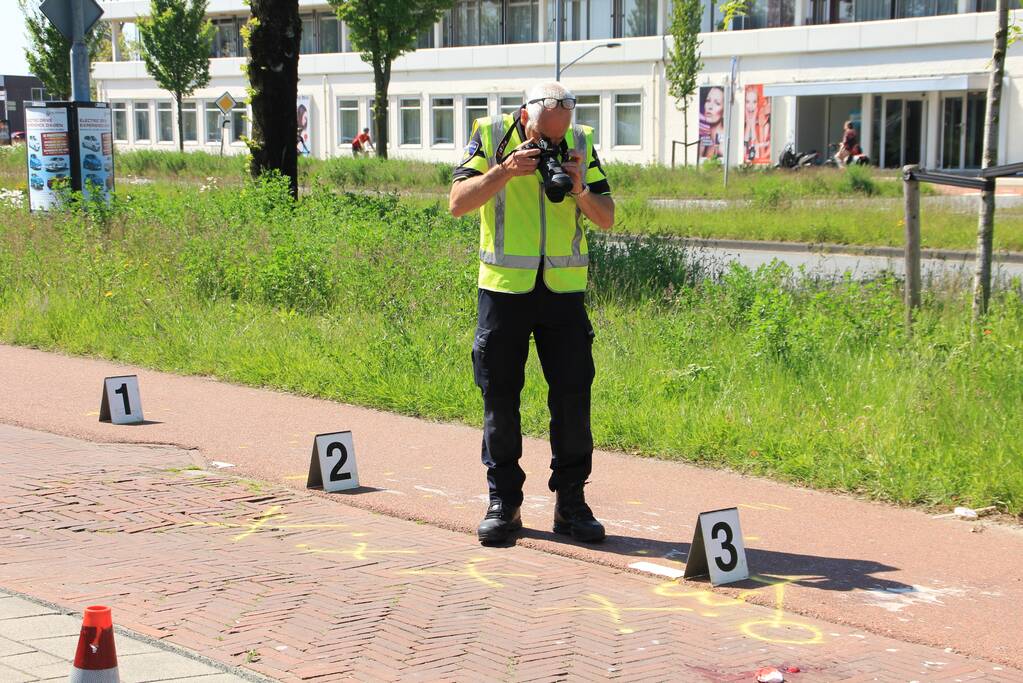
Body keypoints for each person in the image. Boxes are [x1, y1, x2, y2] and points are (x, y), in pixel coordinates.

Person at [449, 82, 615, 546]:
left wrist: (580, 188)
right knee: (500, 396)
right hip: (504, 289)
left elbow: (606, 216)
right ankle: (505, 502)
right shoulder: (490, 132)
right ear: (525, 117)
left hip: (563, 291)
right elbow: (457, 203)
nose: (552, 146)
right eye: (545, 137)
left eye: (558, 139)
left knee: (573, 397)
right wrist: (504, 172)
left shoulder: (580, 141)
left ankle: (571, 503)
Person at [699, 86, 725, 161]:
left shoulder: (722, 147)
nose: (710, 107)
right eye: (708, 100)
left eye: (717, 103)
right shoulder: (704, 140)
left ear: (724, 111)